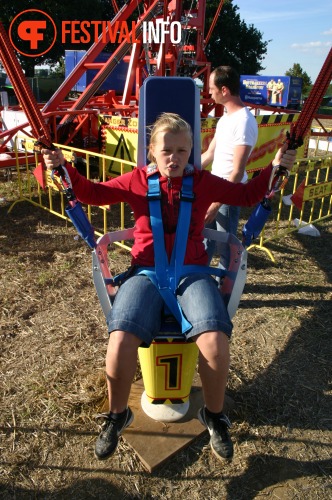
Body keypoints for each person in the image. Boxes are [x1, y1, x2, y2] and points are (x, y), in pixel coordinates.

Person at [42, 112, 296, 463]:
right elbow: (90, 193)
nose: (173, 158)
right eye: (166, 151)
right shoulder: (136, 181)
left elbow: (250, 193)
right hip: (145, 272)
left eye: (181, 150)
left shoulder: (204, 182)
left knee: (215, 340)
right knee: (119, 340)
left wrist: (277, 166)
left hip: (192, 272)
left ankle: (214, 415)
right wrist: (63, 168)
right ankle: (118, 416)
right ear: (152, 151)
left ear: (191, 151)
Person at [201, 66, 258, 268]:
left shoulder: (244, 122)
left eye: (211, 88)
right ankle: (199, 279)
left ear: (224, 90)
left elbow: (237, 172)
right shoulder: (225, 119)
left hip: (227, 195)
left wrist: (216, 203)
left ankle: (224, 291)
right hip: (214, 190)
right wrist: (183, 170)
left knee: (225, 247)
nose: (209, 92)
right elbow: (209, 154)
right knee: (204, 241)